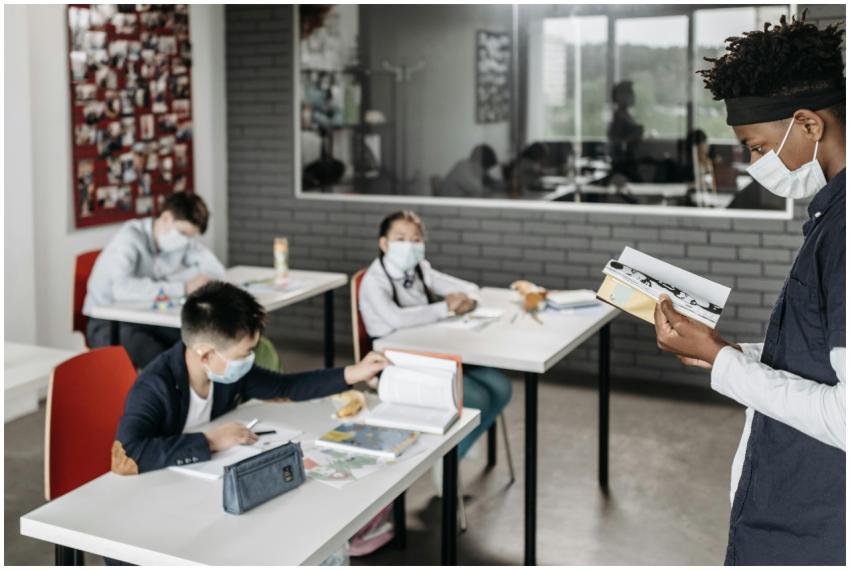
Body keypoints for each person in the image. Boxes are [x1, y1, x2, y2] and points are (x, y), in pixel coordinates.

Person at [654, 14, 845, 565]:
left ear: (808, 124)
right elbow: (827, 359)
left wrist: (720, 364)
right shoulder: (831, 217)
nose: (755, 164)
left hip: (814, 528)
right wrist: (741, 353)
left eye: (756, 146)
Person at [111, 281, 388, 475]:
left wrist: (355, 372)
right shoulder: (154, 386)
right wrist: (210, 441)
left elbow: (286, 386)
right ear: (206, 354)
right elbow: (126, 457)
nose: (250, 359)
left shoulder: (226, 371)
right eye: (245, 352)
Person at [358, 210, 513, 472]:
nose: (410, 245)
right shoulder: (374, 281)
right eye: (401, 238)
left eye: (416, 239)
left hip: (430, 352)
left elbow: (469, 288)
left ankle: (456, 451)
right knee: (475, 397)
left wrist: (467, 301)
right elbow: (395, 319)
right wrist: (446, 308)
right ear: (384, 243)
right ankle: (446, 466)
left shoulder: (421, 269)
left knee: (500, 388)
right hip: (393, 363)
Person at [84, 192, 225, 368]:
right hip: (108, 324)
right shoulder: (129, 238)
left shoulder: (179, 242)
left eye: (190, 236)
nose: (185, 240)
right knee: (163, 359)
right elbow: (121, 289)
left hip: (147, 317)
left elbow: (215, 269)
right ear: (166, 217)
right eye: (182, 233)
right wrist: (182, 287)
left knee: (198, 342)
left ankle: (200, 394)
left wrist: (187, 279)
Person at [607, 80, 644, 184]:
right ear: (619, 96)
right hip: (624, 167)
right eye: (629, 93)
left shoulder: (627, 116)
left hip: (632, 163)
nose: (633, 96)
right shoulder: (618, 119)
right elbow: (616, 144)